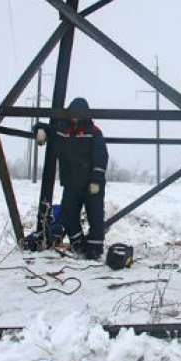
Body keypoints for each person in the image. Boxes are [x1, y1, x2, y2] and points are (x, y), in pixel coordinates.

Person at [34, 97, 108, 259]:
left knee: (95, 217)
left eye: (79, 113)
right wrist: (40, 130)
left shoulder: (93, 132)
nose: (75, 116)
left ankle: (95, 250)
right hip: (72, 184)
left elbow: (101, 156)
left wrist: (96, 179)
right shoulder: (62, 130)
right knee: (68, 215)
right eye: (73, 112)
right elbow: (46, 127)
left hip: (91, 184)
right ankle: (79, 246)